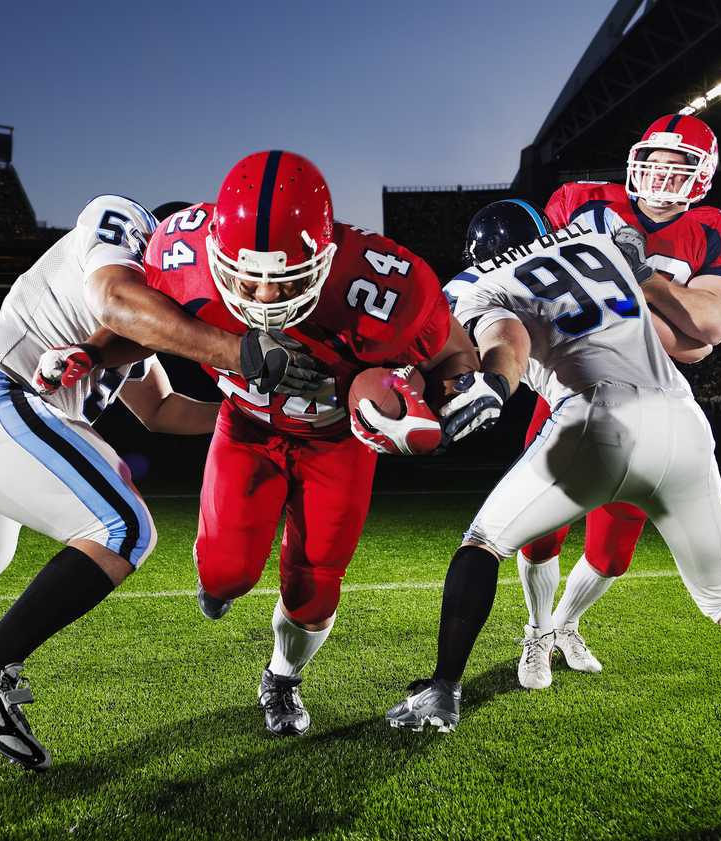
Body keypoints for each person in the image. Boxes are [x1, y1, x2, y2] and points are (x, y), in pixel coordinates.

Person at [0, 194, 311, 770]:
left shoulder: (146, 322)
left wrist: (254, 411)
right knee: (121, 526)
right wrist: (236, 351)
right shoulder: (123, 228)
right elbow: (114, 299)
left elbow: (163, 410)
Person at [385, 200, 721, 793]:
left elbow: (507, 337)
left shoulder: (481, 286)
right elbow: (692, 345)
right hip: (682, 418)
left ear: (476, 255)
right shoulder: (601, 248)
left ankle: (442, 690)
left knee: (483, 543)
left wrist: (494, 383)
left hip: (596, 418)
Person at [92, 150, 483, 736]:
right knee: (225, 573)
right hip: (247, 429)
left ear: (325, 257)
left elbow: (455, 356)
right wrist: (91, 354)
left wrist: (453, 401)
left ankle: (281, 679)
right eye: (247, 273)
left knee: (314, 584)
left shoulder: (384, 283)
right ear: (217, 251)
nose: (265, 293)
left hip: (337, 442)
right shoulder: (180, 252)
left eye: (285, 276)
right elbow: (135, 324)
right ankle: (221, 583)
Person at [512, 115, 721, 688]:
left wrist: (638, 275)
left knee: (612, 553)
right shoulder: (580, 203)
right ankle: (535, 633)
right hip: (568, 387)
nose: (659, 173)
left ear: (701, 177)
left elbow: (703, 334)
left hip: (648, 402)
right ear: (635, 161)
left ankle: (564, 624)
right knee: (539, 533)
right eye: (652, 160)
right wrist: (667, 318)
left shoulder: (720, 233)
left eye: (676, 166)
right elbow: (540, 300)